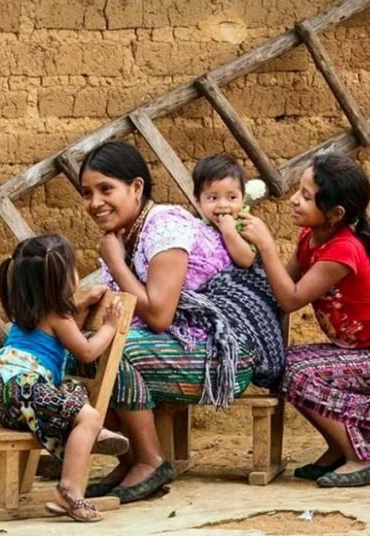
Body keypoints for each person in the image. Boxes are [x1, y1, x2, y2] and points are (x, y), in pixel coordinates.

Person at [78, 141, 284, 503]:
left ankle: (150, 460)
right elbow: (128, 311)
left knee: (112, 348)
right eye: (87, 192)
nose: (95, 202)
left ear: (137, 187)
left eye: (106, 189)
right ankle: (130, 460)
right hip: (184, 347)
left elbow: (157, 315)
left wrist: (115, 265)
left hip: (224, 356)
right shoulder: (127, 236)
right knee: (86, 349)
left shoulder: (165, 228)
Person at [240, 152, 370, 488]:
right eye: (299, 190)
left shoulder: (342, 250)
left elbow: (291, 298)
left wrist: (266, 245)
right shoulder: (310, 238)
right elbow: (277, 284)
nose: (294, 200)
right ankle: (339, 448)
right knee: (282, 365)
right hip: (363, 351)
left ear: (335, 214)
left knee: (293, 372)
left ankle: (362, 456)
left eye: (307, 197)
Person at [0, 234, 126, 522]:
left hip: (3, 397)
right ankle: (69, 490)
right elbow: (85, 352)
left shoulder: (25, 310)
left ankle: (97, 434)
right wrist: (110, 327)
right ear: (62, 278)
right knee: (87, 416)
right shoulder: (58, 317)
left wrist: (82, 306)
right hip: (28, 388)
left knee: (73, 397)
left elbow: (63, 339)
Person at [192, 153, 256, 267]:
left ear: (242, 198)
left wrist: (229, 232)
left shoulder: (246, 225)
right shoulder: (195, 227)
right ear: (198, 201)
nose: (222, 205)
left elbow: (247, 261)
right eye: (213, 198)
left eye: (232, 197)